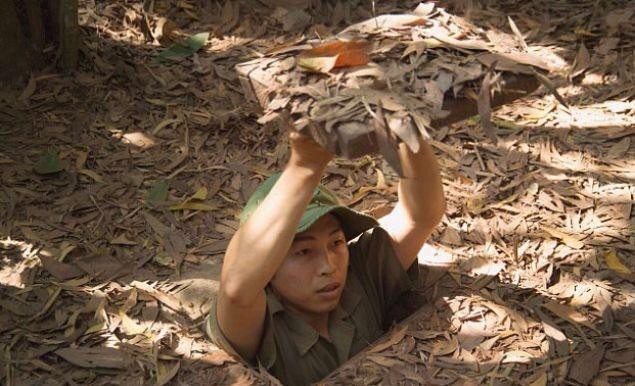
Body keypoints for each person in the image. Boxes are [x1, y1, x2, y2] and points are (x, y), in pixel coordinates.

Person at [206, 129, 446, 386]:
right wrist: (305, 165)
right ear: (269, 268)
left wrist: (405, 133)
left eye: (336, 243)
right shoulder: (260, 322)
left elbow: (419, 216)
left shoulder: (362, 273)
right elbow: (235, 288)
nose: (328, 266)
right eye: (304, 252)